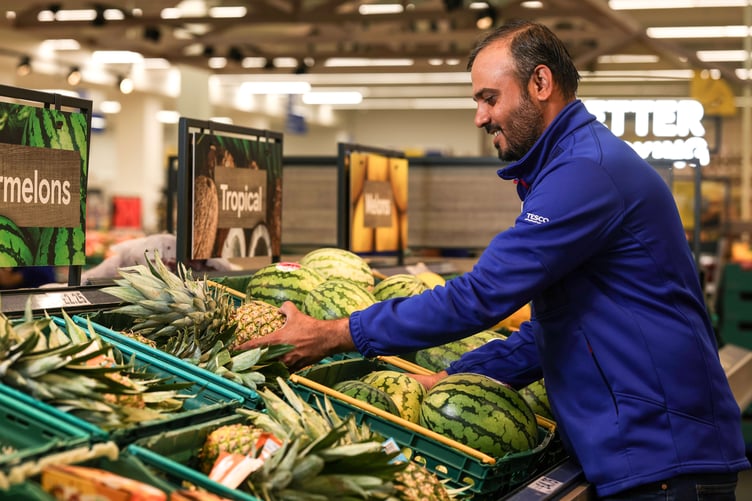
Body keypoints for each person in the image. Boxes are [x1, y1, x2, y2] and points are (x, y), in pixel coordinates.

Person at [239, 20, 750, 499]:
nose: (479, 116)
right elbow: (557, 328)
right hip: (652, 455)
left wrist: (332, 332)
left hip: (664, 459)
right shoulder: (572, 165)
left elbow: (480, 295)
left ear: (541, 83)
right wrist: (455, 377)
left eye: (489, 98)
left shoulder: (586, 173)